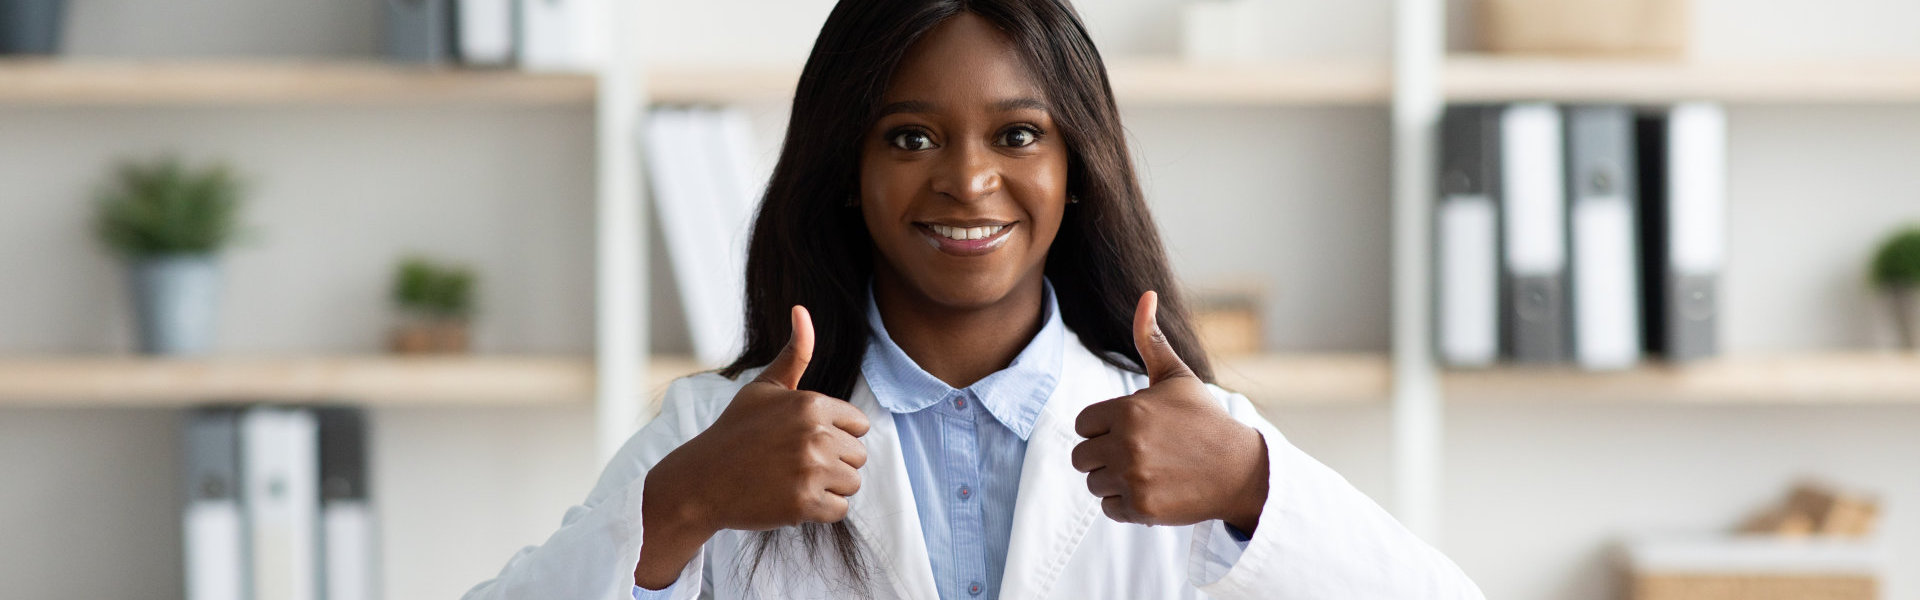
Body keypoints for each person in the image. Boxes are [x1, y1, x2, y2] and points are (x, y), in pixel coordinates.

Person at [465, 0, 1484, 598]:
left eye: (1018, 135)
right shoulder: (719, 435)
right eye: (911, 137)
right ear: (845, 170)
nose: (967, 180)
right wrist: (678, 507)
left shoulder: (1191, 444)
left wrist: (1260, 485)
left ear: (1078, 164)